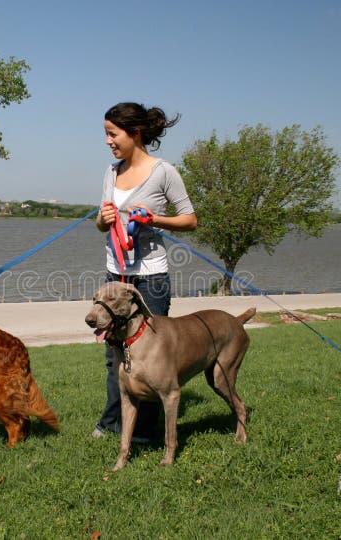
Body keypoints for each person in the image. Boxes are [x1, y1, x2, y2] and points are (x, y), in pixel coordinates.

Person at [92, 102, 198, 441]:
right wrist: (101, 220)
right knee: (114, 355)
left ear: (135, 133)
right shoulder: (111, 172)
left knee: (152, 358)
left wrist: (155, 219)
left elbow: (190, 220)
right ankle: (112, 423)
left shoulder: (164, 172)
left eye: (113, 134)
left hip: (150, 278)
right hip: (115, 277)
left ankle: (146, 434)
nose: (108, 141)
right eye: (106, 134)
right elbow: (100, 221)